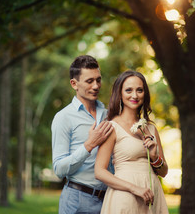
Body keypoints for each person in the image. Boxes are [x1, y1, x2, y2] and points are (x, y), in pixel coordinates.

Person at [95, 70, 169, 213]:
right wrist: (135, 188)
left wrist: (154, 157)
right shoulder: (112, 127)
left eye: (139, 90)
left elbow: (164, 172)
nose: (134, 95)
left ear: (145, 94)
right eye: (128, 90)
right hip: (125, 196)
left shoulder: (151, 129)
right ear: (120, 94)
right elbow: (99, 171)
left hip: (152, 196)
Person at [51, 55, 113, 214]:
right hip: (77, 200)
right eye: (89, 81)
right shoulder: (63, 117)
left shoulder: (108, 115)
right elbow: (59, 169)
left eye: (98, 80)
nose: (96, 86)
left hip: (108, 200)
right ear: (74, 84)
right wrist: (89, 145)